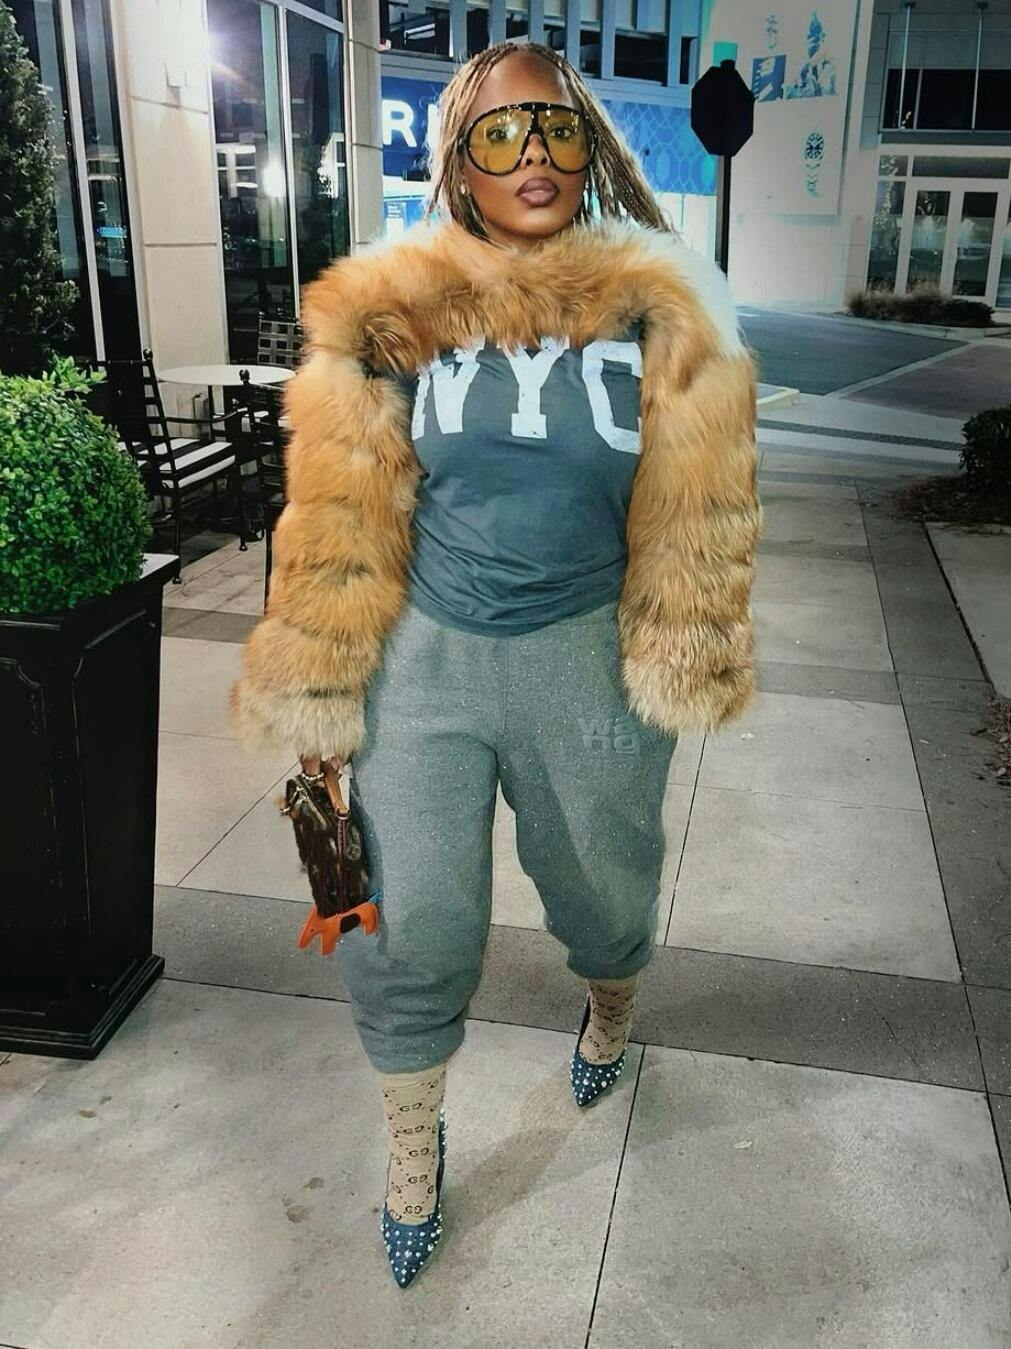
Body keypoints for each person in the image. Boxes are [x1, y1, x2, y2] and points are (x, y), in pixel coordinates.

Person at [232, 39, 761, 1289]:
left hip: (586, 660)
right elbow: (333, 515)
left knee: (605, 899)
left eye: (557, 128)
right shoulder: (393, 311)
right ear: (458, 165)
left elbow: (704, 512)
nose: (534, 155)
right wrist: (317, 705)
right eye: (501, 133)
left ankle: (612, 997)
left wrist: (679, 652)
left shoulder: (664, 309)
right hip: (426, 661)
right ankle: (413, 1143)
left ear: (591, 149)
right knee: (410, 923)